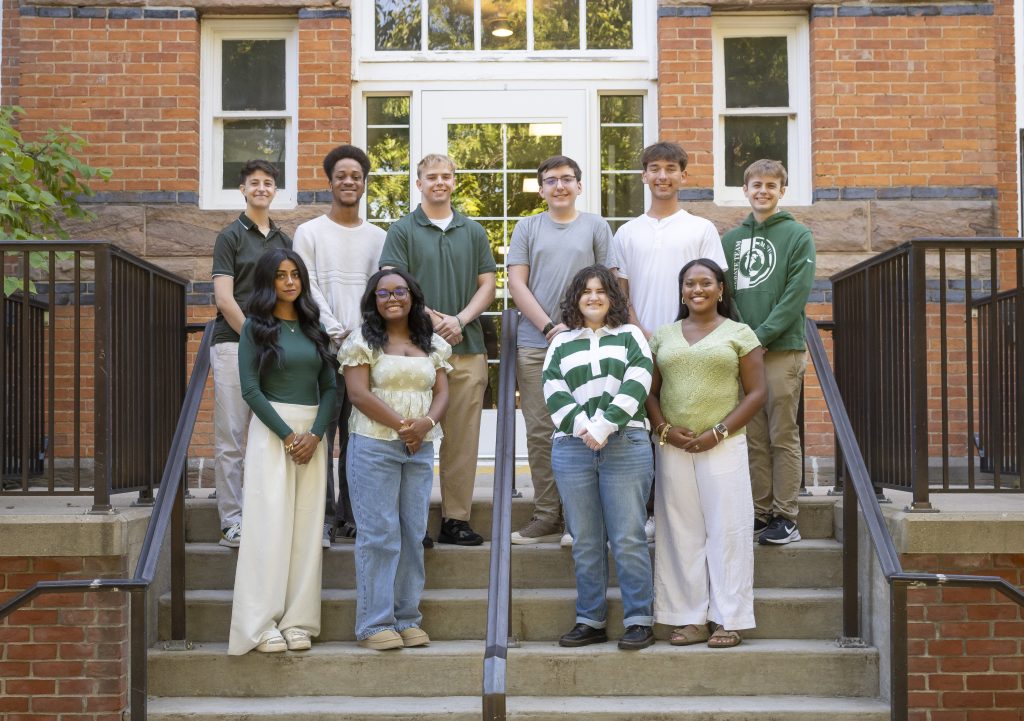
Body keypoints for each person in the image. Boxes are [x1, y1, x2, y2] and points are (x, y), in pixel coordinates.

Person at [646, 258, 766, 649]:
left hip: (725, 445)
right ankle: (689, 618)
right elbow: (648, 390)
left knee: (728, 530)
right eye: (689, 284)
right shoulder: (663, 336)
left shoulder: (740, 333)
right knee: (679, 531)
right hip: (673, 446)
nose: (697, 290)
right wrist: (664, 428)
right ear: (681, 291)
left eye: (705, 283)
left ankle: (728, 618)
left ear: (720, 289)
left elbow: (757, 393)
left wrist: (718, 431)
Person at [610, 141, 726, 543]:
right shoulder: (626, 232)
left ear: (683, 176)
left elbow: (711, 287)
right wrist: (637, 327)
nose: (662, 176)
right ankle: (646, 512)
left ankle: (682, 516)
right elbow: (620, 290)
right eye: (654, 168)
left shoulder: (700, 228)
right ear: (644, 175)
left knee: (681, 420)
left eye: (671, 169)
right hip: (640, 341)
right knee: (642, 427)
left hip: (687, 342)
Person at [379, 153, 496, 546]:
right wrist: (430, 318)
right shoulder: (401, 230)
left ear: (455, 181)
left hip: (468, 347)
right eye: (432, 177)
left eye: (446, 176)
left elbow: (488, 285)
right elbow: (394, 284)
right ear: (419, 183)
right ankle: (412, 522)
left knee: (462, 440)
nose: (439, 182)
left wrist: (460, 320)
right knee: (411, 433)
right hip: (414, 350)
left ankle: (455, 520)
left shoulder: (474, 231)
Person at [227, 248, 338, 655]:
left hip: (313, 437)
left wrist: (317, 433)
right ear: (267, 282)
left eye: (295, 275)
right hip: (274, 435)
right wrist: (289, 436)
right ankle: (261, 623)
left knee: (307, 532)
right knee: (268, 528)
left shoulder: (315, 329)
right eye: (280, 275)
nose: (290, 282)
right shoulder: (255, 329)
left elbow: (331, 387)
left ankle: (298, 620)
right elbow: (250, 389)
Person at [543, 264, 656, 651]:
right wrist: (582, 428)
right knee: (586, 539)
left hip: (625, 443)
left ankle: (639, 618)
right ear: (576, 298)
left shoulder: (630, 337)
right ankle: (590, 619)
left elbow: (639, 379)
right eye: (586, 291)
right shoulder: (560, 342)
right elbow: (553, 389)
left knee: (627, 536)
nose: (593, 297)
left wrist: (604, 426)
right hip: (573, 447)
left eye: (601, 291)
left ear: (613, 297)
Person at [340, 269, 451, 650]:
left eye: (399, 291)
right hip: (374, 446)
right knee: (380, 535)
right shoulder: (362, 341)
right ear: (373, 299)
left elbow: (442, 393)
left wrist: (427, 423)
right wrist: (406, 426)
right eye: (383, 292)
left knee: (412, 534)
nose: (392, 298)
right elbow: (357, 394)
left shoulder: (432, 342)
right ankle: (374, 624)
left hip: (419, 450)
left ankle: (407, 619)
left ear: (412, 296)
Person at [507, 155, 614, 546]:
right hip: (538, 343)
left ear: (579, 186)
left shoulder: (596, 226)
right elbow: (517, 284)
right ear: (541, 189)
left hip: (589, 344)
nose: (559, 186)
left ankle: (577, 519)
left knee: (583, 425)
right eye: (550, 181)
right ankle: (547, 514)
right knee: (540, 430)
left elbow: (609, 282)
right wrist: (550, 328)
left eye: (567, 179)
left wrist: (585, 327)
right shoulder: (527, 227)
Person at [293, 144, 386, 547]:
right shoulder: (309, 232)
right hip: (321, 348)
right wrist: (335, 330)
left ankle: (351, 517)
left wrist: (363, 335)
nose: (349, 181)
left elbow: (383, 289)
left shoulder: (379, 236)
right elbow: (306, 285)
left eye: (357, 176)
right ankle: (323, 519)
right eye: (342, 176)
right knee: (322, 433)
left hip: (365, 353)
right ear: (330, 182)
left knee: (359, 436)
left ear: (364, 183)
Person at [721, 159, 815, 545]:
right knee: (753, 437)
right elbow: (725, 293)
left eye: (771, 186)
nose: (763, 191)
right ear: (745, 190)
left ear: (781, 191)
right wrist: (745, 338)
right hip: (743, 353)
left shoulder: (798, 235)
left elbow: (796, 295)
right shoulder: (729, 240)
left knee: (782, 434)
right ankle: (760, 513)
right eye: (756, 184)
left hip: (781, 351)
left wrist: (761, 337)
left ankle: (785, 516)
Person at [210, 159, 291, 549]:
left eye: (268, 182)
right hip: (233, 343)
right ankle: (232, 521)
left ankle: (266, 514)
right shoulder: (230, 237)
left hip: (275, 344)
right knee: (232, 434)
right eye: (254, 182)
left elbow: (291, 293)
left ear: (275, 190)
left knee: (271, 431)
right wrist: (254, 338)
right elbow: (224, 299)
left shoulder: (283, 241)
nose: (261, 188)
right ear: (242, 189)